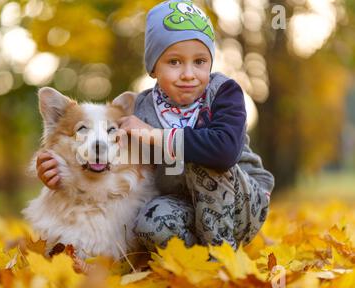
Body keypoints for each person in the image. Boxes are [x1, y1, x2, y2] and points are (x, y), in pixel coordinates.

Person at [36, 0, 275, 251]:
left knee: (197, 160)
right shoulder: (141, 109)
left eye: (200, 61)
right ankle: (192, 258)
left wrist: (155, 136)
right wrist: (56, 171)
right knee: (149, 224)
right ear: (153, 68)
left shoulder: (224, 92)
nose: (188, 73)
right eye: (174, 62)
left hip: (242, 204)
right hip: (186, 208)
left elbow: (224, 151)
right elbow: (114, 150)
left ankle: (221, 259)